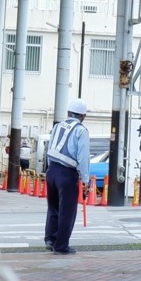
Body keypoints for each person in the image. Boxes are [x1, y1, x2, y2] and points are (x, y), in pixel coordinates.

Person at [42, 100, 92, 255]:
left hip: (51, 170)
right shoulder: (81, 131)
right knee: (67, 210)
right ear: (83, 116)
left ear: (69, 113)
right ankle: (61, 246)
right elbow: (83, 157)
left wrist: (50, 170)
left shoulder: (57, 126)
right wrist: (85, 180)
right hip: (67, 173)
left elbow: (50, 148)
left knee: (53, 207)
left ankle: (50, 239)